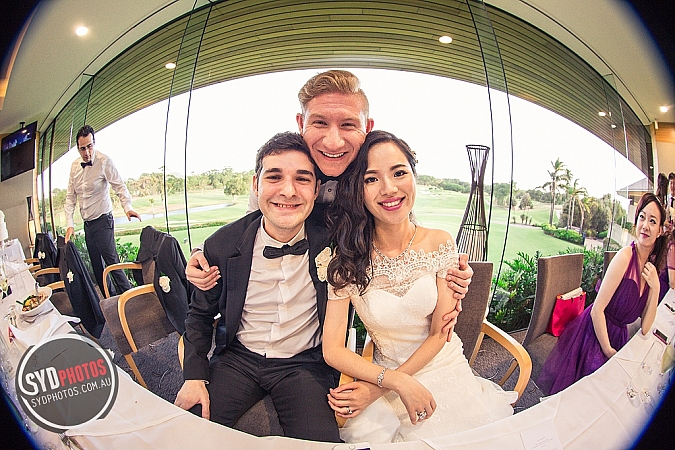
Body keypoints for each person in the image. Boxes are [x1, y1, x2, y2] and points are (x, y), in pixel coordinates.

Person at [185, 70, 473, 300]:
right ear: (301, 123)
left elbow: (401, 226)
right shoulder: (279, 174)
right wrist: (203, 253)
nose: (333, 142)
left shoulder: (375, 170)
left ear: (367, 128)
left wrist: (446, 265)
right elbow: (250, 227)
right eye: (320, 123)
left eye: (348, 125)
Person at [321, 131, 517, 443]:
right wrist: (393, 382)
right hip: (386, 373)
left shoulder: (440, 242)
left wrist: (381, 387)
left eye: (399, 173)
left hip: (442, 366)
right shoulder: (345, 258)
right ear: (358, 190)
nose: (389, 188)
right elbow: (332, 349)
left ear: (413, 176)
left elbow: (440, 333)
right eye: (371, 179)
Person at [174, 132, 340, 441]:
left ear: (317, 189)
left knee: (322, 444)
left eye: (302, 179)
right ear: (256, 185)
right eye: (274, 177)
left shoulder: (333, 239)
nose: (288, 191)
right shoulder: (222, 245)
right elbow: (199, 316)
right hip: (239, 357)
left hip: (304, 364)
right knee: (188, 435)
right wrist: (194, 376)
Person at [538, 192, 667, 395]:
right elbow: (597, 310)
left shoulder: (650, 268)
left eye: (652, 221)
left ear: (660, 231)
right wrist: (607, 350)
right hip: (595, 335)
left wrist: (655, 288)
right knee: (592, 394)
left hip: (618, 337)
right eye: (642, 217)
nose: (645, 226)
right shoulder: (625, 257)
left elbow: (645, 327)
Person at [64, 125, 141, 295]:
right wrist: (70, 224)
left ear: (94, 143)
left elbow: (119, 186)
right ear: (78, 148)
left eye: (90, 146)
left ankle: (130, 298)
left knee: (113, 264)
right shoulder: (74, 167)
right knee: (97, 267)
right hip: (88, 224)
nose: (87, 152)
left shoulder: (104, 161)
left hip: (103, 221)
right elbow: (70, 197)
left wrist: (127, 207)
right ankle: (109, 300)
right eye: (82, 148)